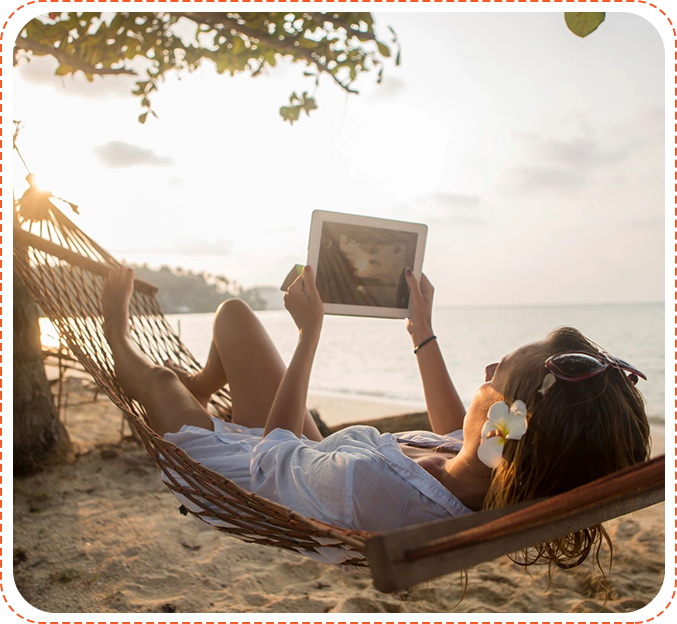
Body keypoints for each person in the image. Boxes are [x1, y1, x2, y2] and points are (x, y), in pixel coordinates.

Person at [101, 265, 650, 568]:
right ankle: (200, 395)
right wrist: (421, 329)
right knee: (235, 315)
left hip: (235, 474)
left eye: (492, 373)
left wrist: (309, 333)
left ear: (501, 426)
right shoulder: (487, 468)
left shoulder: (372, 487)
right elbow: (458, 430)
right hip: (308, 458)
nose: (484, 374)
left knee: (160, 380)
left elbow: (270, 460)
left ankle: (117, 335)